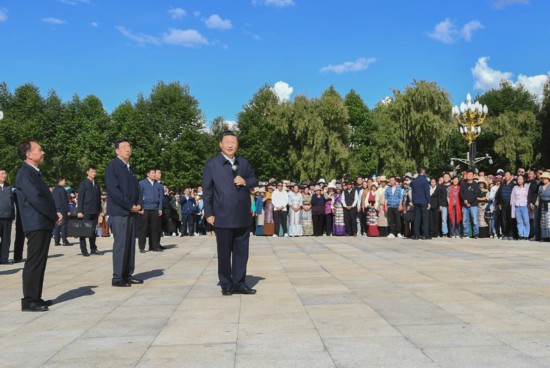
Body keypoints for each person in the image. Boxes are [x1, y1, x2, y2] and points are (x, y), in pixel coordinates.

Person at [202, 131, 258, 296]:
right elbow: (207, 190)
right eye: (226, 141)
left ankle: (240, 283)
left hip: (242, 215)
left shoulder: (244, 163)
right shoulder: (212, 164)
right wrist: (209, 212)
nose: (230, 144)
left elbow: (255, 179)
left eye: (233, 142)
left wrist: (245, 181)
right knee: (224, 252)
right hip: (222, 215)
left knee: (242, 252)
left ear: (237, 145)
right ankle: (226, 284)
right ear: (220, 144)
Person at [16, 141, 62, 311]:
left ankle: (36, 297)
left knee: (40, 262)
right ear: (28, 154)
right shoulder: (24, 173)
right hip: (36, 222)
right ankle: (29, 300)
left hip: (42, 222)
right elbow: (36, 198)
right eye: (39, 150)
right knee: (34, 262)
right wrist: (53, 215)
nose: (43, 152)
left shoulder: (34, 172)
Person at [105, 139, 144, 287]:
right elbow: (114, 190)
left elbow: (137, 189)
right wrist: (129, 205)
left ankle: (128, 274)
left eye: (129, 146)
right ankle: (118, 277)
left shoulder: (129, 168)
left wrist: (139, 204)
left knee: (130, 245)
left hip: (131, 212)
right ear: (117, 151)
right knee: (121, 244)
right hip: (120, 212)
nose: (127, 149)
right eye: (124, 147)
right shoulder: (112, 166)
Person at [76, 165, 104, 256]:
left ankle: (93, 248)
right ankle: (84, 250)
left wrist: (100, 210)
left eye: (95, 171)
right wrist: (80, 211)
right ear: (87, 172)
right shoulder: (83, 183)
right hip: (85, 211)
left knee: (93, 231)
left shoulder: (96, 184)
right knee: (84, 231)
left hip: (95, 211)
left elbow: (98, 198)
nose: (94, 173)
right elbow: (80, 198)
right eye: (92, 171)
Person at [138, 167, 163, 253]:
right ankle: (141, 247)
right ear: (148, 174)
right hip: (145, 208)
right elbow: (139, 196)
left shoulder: (159, 185)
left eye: (155, 173)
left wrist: (160, 208)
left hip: (155, 208)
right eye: (153, 173)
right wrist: (140, 207)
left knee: (155, 229)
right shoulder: (142, 183)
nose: (154, 174)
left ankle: (154, 246)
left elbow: (161, 198)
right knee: (143, 229)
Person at [410, 167, 431, 240]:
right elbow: (427, 192)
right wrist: (429, 202)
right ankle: (425, 235)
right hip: (423, 201)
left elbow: (412, 192)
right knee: (425, 218)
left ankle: (416, 235)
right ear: (423, 171)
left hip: (416, 201)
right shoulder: (424, 180)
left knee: (417, 218)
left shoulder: (414, 181)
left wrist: (413, 201)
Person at [460, 172, 482, 239]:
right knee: (465, 220)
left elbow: (476, 194)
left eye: (470, 175)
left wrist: (469, 202)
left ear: (473, 176)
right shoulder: (463, 184)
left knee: (475, 220)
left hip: (473, 205)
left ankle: (476, 234)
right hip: (465, 205)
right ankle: (466, 233)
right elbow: (461, 193)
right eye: (468, 175)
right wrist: (465, 200)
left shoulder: (475, 185)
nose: (469, 176)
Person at [0, 168, 15, 264]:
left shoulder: (8, 187)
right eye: (2, 173)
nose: (5, 175)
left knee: (6, 238)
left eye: (5, 173)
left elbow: (11, 202)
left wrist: (13, 215)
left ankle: (3, 258)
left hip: (7, 217)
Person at [496, 172, 516, 240]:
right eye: (505, 175)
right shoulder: (502, 184)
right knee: (504, 219)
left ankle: (511, 234)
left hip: (510, 204)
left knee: (510, 219)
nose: (506, 176)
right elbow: (498, 195)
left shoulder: (513, 185)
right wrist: (499, 203)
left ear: (511, 176)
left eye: (508, 175)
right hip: (503, 204)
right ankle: (505, 233)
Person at [52, 176, 70, 246]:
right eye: (64, 181)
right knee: (63, 225)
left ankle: (56, 241)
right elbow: (65, 201)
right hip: (62, 209)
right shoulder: (62, 190)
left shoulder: (54, 190)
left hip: (56, 210)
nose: (65, 182)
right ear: (61, 181)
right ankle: (65, 241)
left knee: (57, 225)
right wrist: (67, 210)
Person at [511, 175, 530, 240]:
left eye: (521, 179)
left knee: (526, 221)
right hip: (517, 206)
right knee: (519, 221)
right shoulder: (515, 188)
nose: (519, 180)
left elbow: (528, 197)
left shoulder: (527, 187)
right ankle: (520, 234)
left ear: (524, 180)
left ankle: (526, 235)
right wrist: (512, 206)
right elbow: (512, 198)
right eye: (518, 179)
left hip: (524, 206)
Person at [538, 171, 550, 241]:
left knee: (549, 221)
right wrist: (539, 206)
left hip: (549, 204)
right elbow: (539, 197)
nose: (544, 179)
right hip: (542, 205)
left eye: (545, 178)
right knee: (543, 221)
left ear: (548, 178)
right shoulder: (540, 187)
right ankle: (543, 236)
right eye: (543, 178)